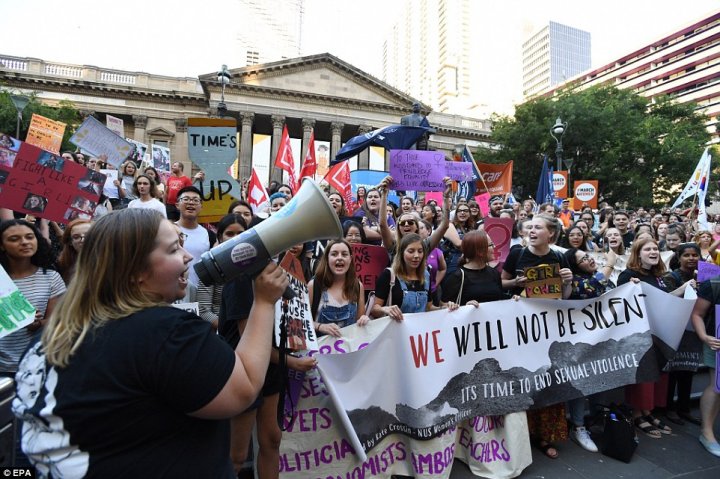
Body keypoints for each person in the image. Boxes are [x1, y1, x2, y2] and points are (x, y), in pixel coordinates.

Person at [11, 209, 288, 477]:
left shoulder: (46, 338)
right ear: (134, 271)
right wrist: (263, 302)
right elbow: (245, 387)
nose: (187, 256)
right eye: (173, 250)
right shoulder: (166, 332)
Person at [501, 215, 573, 459]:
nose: (531, 230)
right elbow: (502, 283)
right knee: (523, 377)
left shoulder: (559, 257)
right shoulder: (516, 254)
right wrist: (516, 283)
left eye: (537, 227)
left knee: (547, 377)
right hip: (521, 328)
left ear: (550, 234)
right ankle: (520, 434)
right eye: (529, 227)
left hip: (548, 328)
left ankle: (544, 435)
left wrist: (568, 282)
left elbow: (565, 296)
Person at [617, 238, 695, 439]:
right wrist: (631, 287)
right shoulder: (629, 275)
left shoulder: (658, 275)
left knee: (654, 374)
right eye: (648, 249)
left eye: (655, 249)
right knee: (641, 375)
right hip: (638, 335)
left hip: (658, 333)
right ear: (638, 253)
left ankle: (647, 412)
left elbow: (666, 298)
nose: (653, 252)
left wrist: (685, 287)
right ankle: (636, 414)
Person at [370, 233, 458, 320]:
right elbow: (374, 310)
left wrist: (444, 309)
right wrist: (385, 309)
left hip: (418, 332)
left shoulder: (426, 275)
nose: (416, 256)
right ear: (402, 253)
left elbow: (428, 307)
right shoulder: (388, 275)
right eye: (411, 251)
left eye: (420, 251)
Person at [663, 243, 702, 427]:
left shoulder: (704, 275)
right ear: (679, 258)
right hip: (676, 329)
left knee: (688, 371)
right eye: (687, 255)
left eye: (695, 255)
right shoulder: (671, 277)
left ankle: (684, 409)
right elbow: (666, 299)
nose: (691, 258)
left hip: (694, 330)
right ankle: (670, 408)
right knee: (675, 372)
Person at [308, 239, 371, 336]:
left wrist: (364, 320)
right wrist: (320, 326)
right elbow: (302, 323)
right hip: (319, 350)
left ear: (350, 259)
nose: (340, 258)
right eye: (334, 254)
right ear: (327, 258)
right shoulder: (314, 286)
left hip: (348, 349)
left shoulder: (358, 286)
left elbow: (360, 322)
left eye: (344, 254)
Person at [689, 275, 720, 457]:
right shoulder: (714, 284)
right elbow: (697, 314)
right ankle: (707, 432)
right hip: (716, 341)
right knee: (717, 385)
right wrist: (704, 336)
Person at [442, 230, 503, 306]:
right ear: (479, 251)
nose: (494, 247)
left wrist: (513, 301)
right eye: (491, 245)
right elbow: (445, 308)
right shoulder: (458, 277)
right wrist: (465, 307)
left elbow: (501, 301)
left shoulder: (494, 273)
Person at [175, 186, 212, 287]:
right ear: (177, 205)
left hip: (201, 293)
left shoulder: (209, 235)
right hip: (173, 290)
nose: (191, 203)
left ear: (201, 206)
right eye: (186, 199)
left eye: (196, 200)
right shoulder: (168, 230)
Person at [56, 219, 92, 284]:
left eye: (88, 235)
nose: (83, 240)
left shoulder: (109, 262)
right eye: (76, 237)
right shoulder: (63, 265)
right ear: (70, 242)